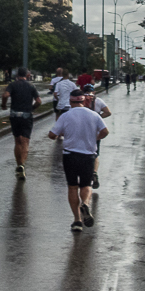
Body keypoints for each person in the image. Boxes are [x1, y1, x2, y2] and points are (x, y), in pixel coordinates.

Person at [48, 91, 108, 231]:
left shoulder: (66, 115)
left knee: (73, 187)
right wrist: (95, 138)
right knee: (86, 186)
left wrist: (64, 134)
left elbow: (52, 135)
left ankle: (77, 221)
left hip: (70, 155)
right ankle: (85, 204)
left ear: (70, 102)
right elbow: (105, 131)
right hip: (88, 156)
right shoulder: (94, 115)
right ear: (84, 101)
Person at [2, 67, 41, 179]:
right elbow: (39, 101)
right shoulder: (31, 86)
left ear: (17, 75)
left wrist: (4, 105)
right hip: (27, 116)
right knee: (25, 141)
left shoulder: (13, 85)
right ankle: (22, 165)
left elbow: (5, 95)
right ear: (27, 75)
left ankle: (19, 165)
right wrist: (32, 108)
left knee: (17, 140)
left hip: (14, 115)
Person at [81, 83, 111, 188]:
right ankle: (94, 172)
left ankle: (84, 172)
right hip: (95, 131)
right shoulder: (98, 101)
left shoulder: (81, 100)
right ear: (94, 91)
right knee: (95, 153)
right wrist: (99, 117)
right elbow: (108, 112)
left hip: (83, 130)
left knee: (82, 150)